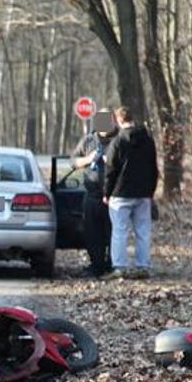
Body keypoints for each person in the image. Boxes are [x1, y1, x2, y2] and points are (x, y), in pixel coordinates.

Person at [103, 106, 159, 279]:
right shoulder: (148, 140)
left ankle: (120, 267)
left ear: (119, 121)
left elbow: (110, 170)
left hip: (120, 194)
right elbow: (154, 169)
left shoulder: (118, 142)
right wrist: (150, 191)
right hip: (143, 194)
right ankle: (143, 266)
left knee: (120, 231)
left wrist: (107, 192)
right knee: (143, 231)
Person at [70, 109, 116, 276]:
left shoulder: (118, 140)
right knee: (92, 233)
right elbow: (73, 161)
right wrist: (88, 159)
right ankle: (96, 265)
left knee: (113, 233)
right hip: (92, 195)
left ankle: (112, 265)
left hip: (113, 195)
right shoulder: (89, 140)